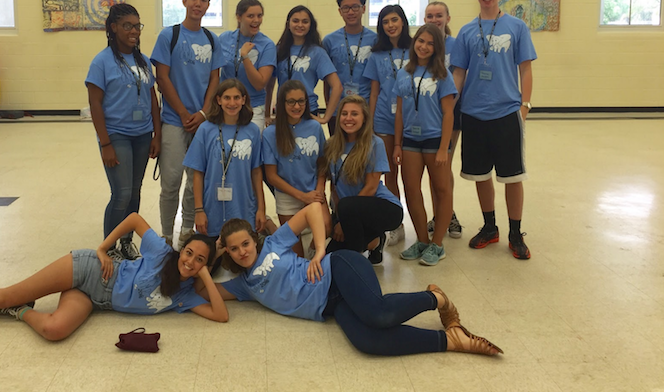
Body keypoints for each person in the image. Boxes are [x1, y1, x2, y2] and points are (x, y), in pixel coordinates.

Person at [212, 203, 502, 357]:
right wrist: (212, 256)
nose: (241, 252)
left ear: (255, 239)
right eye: (233, 248)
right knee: (368, 342)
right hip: (331, 306)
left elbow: (312, 209)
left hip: (337, 268)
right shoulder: (244, 286)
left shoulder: (274, 243)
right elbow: (204, 289)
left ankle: (436, 298)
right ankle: (451, 340)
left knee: (379, 313)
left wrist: (321, 249)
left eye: (245, 244)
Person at [0, 213, 228, 340]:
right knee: (9, 292)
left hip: (97, 301)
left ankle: (18, 313)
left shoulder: (185, 297)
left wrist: (206, 273)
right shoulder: (161, 254)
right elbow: (136, 219)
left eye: (199, 259)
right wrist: (101, 248)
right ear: (180, 250)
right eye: (189, 253)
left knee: (54, 330)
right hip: (89, 269)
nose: (190, 261)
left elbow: (220, 315)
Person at [450, 0, 537, 260]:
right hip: (473, 113)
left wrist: (524, 106)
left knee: (512, 176)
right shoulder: (466, 31)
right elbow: (459, 73)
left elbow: (526, 69)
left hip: (506, 111)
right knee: (480, 174)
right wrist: (450, 105)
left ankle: (515, 232)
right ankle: (490, 227)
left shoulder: (516, 27)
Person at [151, 0, 225, 248]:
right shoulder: (168, 36)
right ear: (183, 2)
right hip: (174, 121)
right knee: (170, 181)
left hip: (202, 124)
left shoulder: (211, 39)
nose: (198, 3)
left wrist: (204, 113)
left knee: (197, 180)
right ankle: (167, 235)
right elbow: (162, 77)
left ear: (208, 5)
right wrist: (182, 113)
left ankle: (187, 231)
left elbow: (215, 79)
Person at [86, 3, 160, 260]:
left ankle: (127, 241)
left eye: (136, 26)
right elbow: (95, 104)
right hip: (116, 134)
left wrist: (157, 135)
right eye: (127, 26)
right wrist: (105, 143)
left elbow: (153, 100)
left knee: (135, 191)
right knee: (122, 193)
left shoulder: (143, 60)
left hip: (142, 134)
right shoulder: (101, 61)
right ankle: (108, 247)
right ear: (113, 27)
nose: (133, 31)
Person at [393, 24, 457, 266]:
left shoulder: (443, 75)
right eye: (421, 41)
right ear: (414, 42)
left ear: (437, 48)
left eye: (430, 43)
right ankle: (421, 240)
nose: (424, 46)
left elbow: (449, 114)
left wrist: (444, 148)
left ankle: (437, 243)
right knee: (411, 189)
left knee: (442, 191)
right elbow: (399, 112)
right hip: (410, 140)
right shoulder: (403, 73)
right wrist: (397, 145)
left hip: (434, 140)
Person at [324, 95, 403, 264]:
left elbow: (371, 188)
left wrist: (344, 221)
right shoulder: (331, 145)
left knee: (348, 251)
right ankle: (375, 241)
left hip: (384, 207)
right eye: (344, 114)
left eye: (354, 114)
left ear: (364, 118)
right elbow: (334, 186)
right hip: (350, 212)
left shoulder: (375, 143)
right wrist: (340, 218)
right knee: (329, 257)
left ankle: (356, 265)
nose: (348, 118)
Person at [184, 79, 266, 238]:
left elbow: (256, 172)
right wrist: (199, 210)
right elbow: (198, 173)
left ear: (243, 100)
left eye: (236, 97)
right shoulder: (205, 130)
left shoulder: (253, 131)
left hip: (243, 206)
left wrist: (261, 209)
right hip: (212, 207)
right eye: (227, 98)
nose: (232, 103)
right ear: (219, 100)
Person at [363, 4, 412, 247]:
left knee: (411, 175)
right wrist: (370, 124)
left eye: (394, 20)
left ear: (403, 22)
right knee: (390, 174)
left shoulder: (416, 49)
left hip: (412, 120)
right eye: (385, 22)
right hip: (384, 119)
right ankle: (397, 225)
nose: (390, 25)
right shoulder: (377, 54)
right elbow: (374, 92)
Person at [262, 80, 330, 256]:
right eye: (291, 101)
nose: (297, 106)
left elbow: (323, 162)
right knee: (296, 254)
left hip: (313, 191)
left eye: (301, 101)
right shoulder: (271, 133)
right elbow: (271, 176)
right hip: (288, 195)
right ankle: (272, 229)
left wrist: (319, 190)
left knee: (326, 227)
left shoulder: (315, 127)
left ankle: (313, 251)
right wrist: (302, 196)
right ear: (281, 104)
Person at [423, 1, 463, 239]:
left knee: (444, 164)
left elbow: (460, 75)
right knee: (433, 167)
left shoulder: (456, 45)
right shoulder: (421, 44)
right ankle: (439, 214)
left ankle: (448, 213)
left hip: (450, 111)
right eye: (429, 16)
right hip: (425, 113)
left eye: (439, 15)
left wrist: (449, 106)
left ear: (448, 18)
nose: (434, 19)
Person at [267, 5, 342, 126]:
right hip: (283, 110)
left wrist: (326, 118)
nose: (300, 25)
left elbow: (337, 86)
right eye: (295, 21)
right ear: (288, 23)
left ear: (311, 25)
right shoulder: (278, 50)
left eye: (305, 21)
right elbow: (269, 85)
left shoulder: (317, 52)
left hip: (308, 110)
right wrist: (266, 114)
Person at [322, 0, 378, 135]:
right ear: (340, 11)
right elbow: (326, 81)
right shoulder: (329, 41)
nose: (351, 12)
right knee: (338, 152)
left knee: (363, 153)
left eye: (355, 7)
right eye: (346, 8)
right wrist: (329, 107)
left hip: (365, 108)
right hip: (338, 110)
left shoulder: (376, 40)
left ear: (363, 9)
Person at [219, 0, 276, 131]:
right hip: (227, 105)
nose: (256, 20)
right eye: (251, 16)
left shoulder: (267, 45)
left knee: (249, 147)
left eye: (259, 16)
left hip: (253, 107)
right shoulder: (224, 38)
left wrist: (245, 57)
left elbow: (260, 84)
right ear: (239, 17)